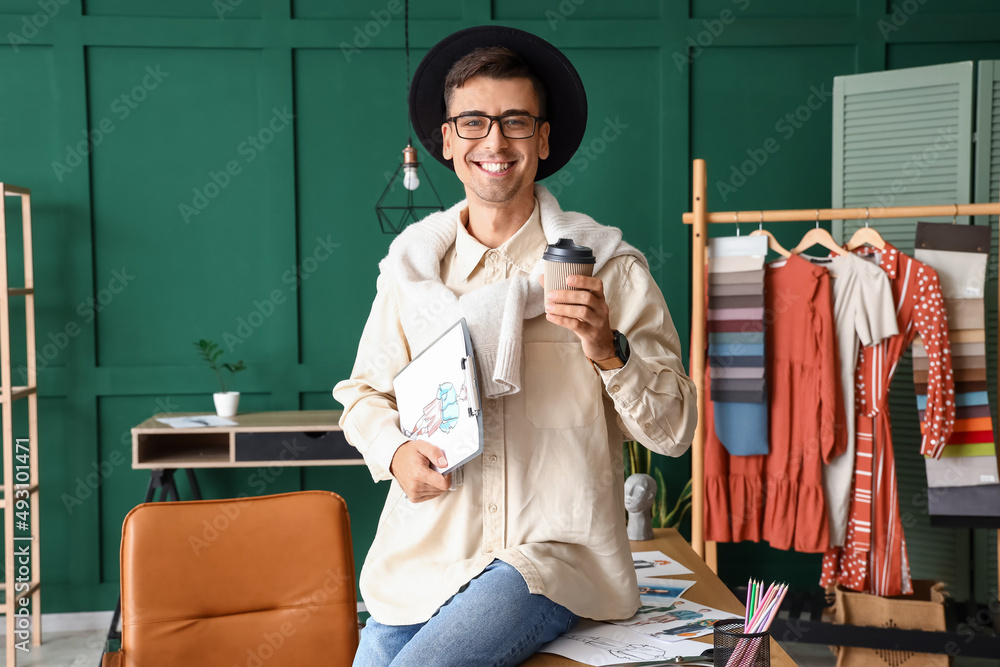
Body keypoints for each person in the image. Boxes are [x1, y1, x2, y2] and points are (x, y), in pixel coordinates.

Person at [333, 25, 697, 667]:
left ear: (544, 138)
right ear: (447, 140)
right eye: (472, 122)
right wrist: (394, 452)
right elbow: (362, 396)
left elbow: (674, 431)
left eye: (516, 122)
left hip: (553, 559)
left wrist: (606, 347)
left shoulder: (607, 269)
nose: (494, 142)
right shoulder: (412, 276)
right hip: (421, 560)